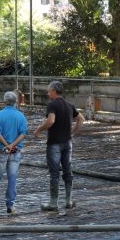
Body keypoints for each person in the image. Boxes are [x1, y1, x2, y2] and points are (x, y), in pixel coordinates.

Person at [34, 81, 85, 211]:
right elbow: (81, 119)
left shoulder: (52, 105)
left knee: (54, 173)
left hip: (54, 143)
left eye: (49, 90)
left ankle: (53, 203)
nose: (47, 93)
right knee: (68, 171)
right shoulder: (69, 105)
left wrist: (39, 129)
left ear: (54, 91)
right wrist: (72, 133)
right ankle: (68, 201)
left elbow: (51, 121)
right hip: (67, 143)